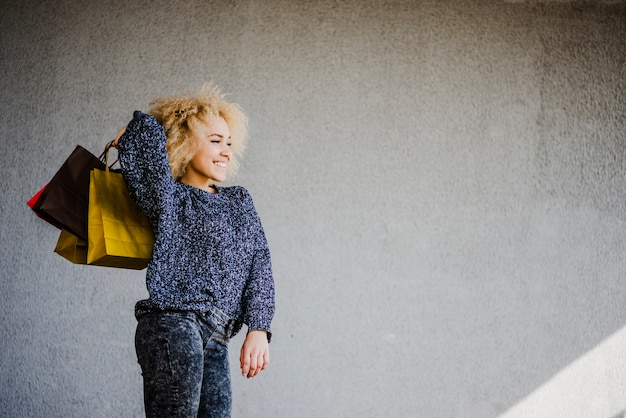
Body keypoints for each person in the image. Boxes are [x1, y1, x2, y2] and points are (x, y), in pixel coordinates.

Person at [111, 84, 275, 417]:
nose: (226, 151)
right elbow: (146, 156)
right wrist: (144, 128)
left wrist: (259, 327)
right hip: (173, 324)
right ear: (184, 144)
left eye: (228, 142)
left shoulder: (238, 201)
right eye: (214, 141)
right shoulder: (169, 198)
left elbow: (260, 263)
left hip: (217, 336)